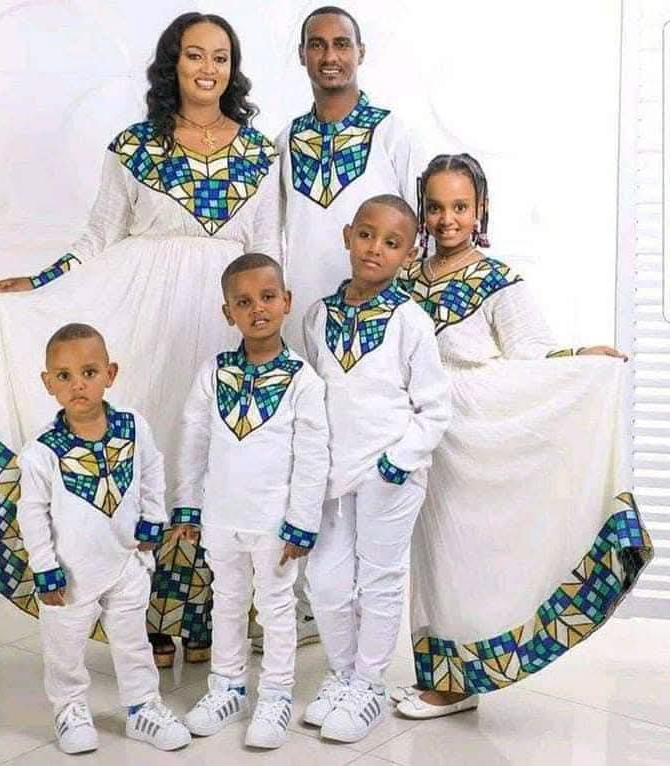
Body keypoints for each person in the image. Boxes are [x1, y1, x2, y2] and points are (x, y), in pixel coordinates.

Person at [0, 12, 281, 669]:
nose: (208, 68)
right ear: (173, 64)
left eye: (220, 57)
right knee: (152, 454)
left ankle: (206, 616)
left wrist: (268, 323)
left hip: (220, 317)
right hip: (146, 317)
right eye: (195, 55)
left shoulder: (260, 153)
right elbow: (98, 236)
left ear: (233, 68)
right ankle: (151, 620)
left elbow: (266, 247)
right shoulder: (134, 146)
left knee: (212, 460)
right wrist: (43, 283)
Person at [392, 153, 653, 719]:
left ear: (481, 209)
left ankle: (458, 684)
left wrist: (581, 359)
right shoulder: (405, 277)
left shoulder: (498, 281)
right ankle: (438, 676)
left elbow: (530, 354)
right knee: (430, 558)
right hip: (420, 435)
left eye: (460, 206)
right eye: (435, 207)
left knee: (463, 556)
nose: (446, 219)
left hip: (472, 436)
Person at [262, 4, 425, 652]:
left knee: (372, 465)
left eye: (341, 44)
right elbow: (269, 232)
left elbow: (418, 228)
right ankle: (311, 606)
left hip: (381, 327)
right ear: (302, 54)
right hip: (309, 323)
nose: (330, 56)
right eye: (317, 44)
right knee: (308, 451)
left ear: (360, 52)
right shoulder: (285, 140)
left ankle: (372, 622)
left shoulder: (392, 132)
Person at [301, 195, 451, 743]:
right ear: (348, 235)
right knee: (325, 580)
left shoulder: (410, 320)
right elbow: (313, 393)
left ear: (409, 255)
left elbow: (435, 407)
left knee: (379, 580)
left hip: (390, 473)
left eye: (392, 243)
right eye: (366, 235)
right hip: (332, 473)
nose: (375, 249)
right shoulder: (317, 315)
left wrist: (397, 461)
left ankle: (368, 684)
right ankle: (342, 675)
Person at [15, 323, 190, 755]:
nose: (78, 384)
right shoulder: (41, 451)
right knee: (65, 645)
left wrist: (153, 518)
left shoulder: (133, 427)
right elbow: (32, 513)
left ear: (110, 374)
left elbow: (152, 468)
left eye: (89, 372)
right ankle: (70, 708)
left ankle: (143, 707)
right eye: (64, 376)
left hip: (127, 561)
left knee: (133, 640)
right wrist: (45, 567)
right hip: (70, 574)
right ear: (48, 383)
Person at [177, 253, 329, 749]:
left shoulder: (303, 380)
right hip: (221, 516)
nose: (257, 308)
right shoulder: (213, 372)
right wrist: (188, 505)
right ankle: (227, 687)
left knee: (276, 607)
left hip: (274, 524)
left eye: (267, 297)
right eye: (243, 302)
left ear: (286, 301)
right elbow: (194, 438)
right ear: (228, 313)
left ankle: (276, 694)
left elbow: (313, 457)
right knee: (226, 600)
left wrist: (301, 523)